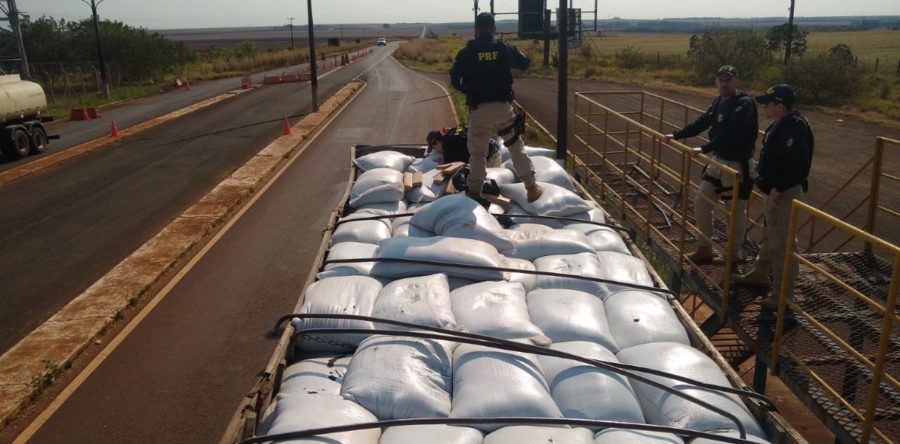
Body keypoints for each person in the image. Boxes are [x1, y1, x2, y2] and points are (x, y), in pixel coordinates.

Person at [666, 65, 758, 265]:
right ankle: (705, 247)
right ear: (716, 82)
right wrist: (677, 135)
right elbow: (702, 122)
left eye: (728, 80)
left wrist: (705, 148)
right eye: (721, 80)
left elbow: (732, 133)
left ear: (736, 82)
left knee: (734, 211)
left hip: (737, 165)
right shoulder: (719, 102)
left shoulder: (744, 104)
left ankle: (733, 254)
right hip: (718, 160)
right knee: (701, 202)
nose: (724, 84)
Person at [733, 84, 814, 310]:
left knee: (783, 245)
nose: (764, 107)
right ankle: (760, 274)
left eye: (768, 104)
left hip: (783, 195)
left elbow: (799, 163)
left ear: (780, 105)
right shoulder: (781, 125)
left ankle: (783, 295)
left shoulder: (795, 128)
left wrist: (780, 186)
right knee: (770, 235)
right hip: (775, 193)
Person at [450, 12, 542, 202]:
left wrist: (466, 89)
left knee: (477, 154)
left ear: (476, 30)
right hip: (503, 108)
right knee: (515, 146)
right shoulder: (503, 48)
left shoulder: (467, 52)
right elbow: (524, 63)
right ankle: (531, 187)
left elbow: (454, 79)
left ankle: (474, 192)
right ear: (494, 29)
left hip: (479, 109)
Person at [426, 125, 501, 166]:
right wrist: (452, 129)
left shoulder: (447, 150)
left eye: (433, 147)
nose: (434, 150)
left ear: (436, 142)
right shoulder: (453, 131)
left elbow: (450, 166)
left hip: (491, 158)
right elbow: (462, 128)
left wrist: (442, 162)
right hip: (492, 145)